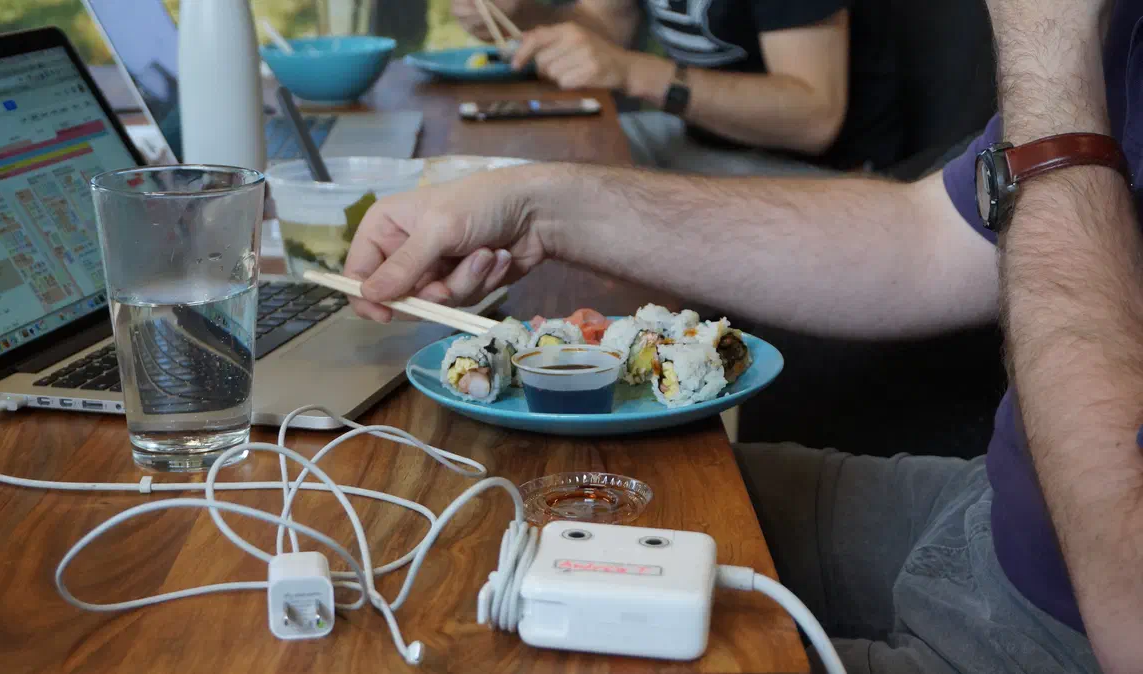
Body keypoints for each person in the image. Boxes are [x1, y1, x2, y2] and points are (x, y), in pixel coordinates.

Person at [345, 0, 1143, 669]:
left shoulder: (1069, 42)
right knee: (487, 519)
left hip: (1067, 625)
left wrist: (1053, 59)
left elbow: (1128, 614)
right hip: (984, 504)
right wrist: (537, 207)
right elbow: (929, 240)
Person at [451, 0, 901, 176]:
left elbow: (814, 118)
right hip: (695, 139)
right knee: (522, 165)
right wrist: (520, 16)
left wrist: (634, 73)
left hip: (822, 175)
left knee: (573, 206)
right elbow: (606, 25)